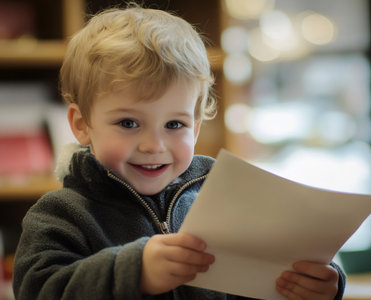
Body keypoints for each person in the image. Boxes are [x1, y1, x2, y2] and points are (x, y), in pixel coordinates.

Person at [13, 4, 346, 300]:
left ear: (196, 127)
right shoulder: (59, 215)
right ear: (82, 124)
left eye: (174, 125)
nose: (153, 146)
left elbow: (261, 274)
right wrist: (134, 272)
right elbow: (38, 289)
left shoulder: (222, 195)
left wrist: (317, 284)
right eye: (129, 123)